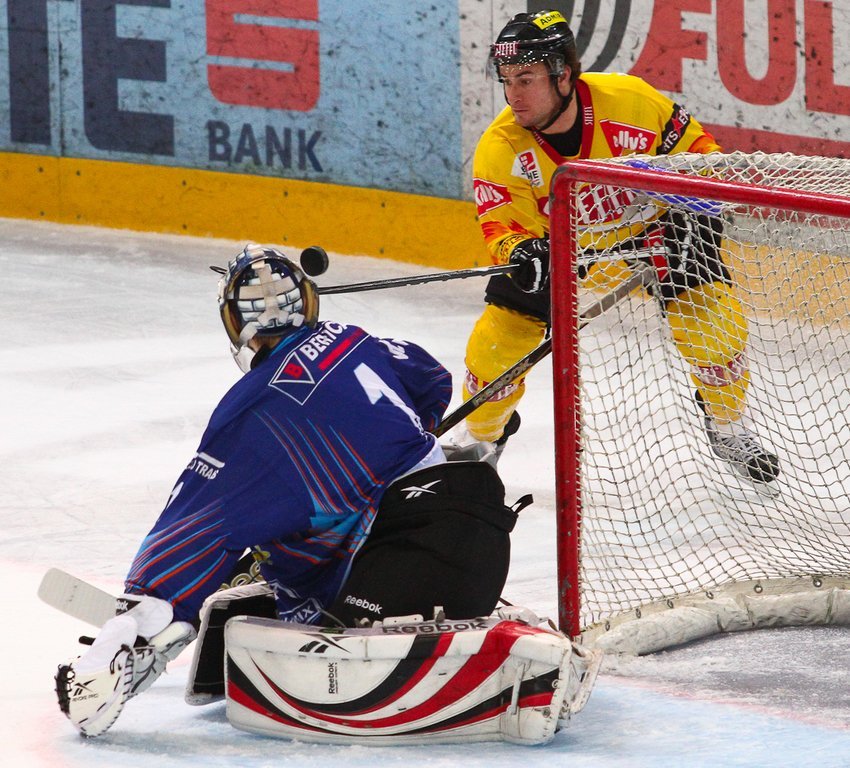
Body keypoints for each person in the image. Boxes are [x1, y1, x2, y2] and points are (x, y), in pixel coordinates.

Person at [55, 243, 521, 738]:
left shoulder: (250, 412)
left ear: (236, 325)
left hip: (388, 578)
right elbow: (432, 380)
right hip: (483, 537)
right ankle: (277, 554)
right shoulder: (354, 338)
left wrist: (134, 629)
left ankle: (266, 564)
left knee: (277, 518)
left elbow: (192, 528)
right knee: (319, 506)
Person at [462, 9, 779, 484]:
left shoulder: (632, 103)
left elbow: (704, 161)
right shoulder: (501, 147)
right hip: (561, 243)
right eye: (506, 81)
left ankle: (727, 426)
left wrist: (700, 208)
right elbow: (502, 230)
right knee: (496, 352)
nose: (513, 95)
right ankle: (483, 440)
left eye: (525, 79)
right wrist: (523, 254)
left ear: (563, 75)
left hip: (655, 227)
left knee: (715, 328)